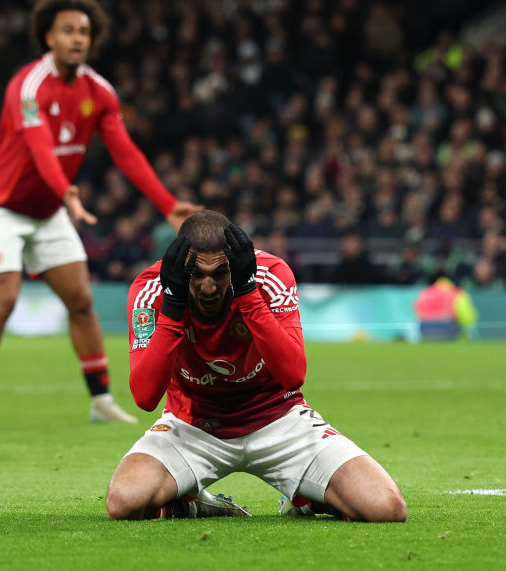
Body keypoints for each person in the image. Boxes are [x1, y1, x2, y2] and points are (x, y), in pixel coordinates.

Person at [0, 0, 201, 425]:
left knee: (81, 299)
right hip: (1, 205)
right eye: (68, 30)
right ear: (48, 36)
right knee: (4, 298)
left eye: (84, 32)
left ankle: (101, 400)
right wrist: (67, 191)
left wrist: (167, 204)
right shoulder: (28, 86)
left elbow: (125, 152)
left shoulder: (99, 91)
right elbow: (40, 148)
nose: (77, 38)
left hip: (48, 208)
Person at [106, 211, 407, 521]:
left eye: (221, 273)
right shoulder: (153, 289)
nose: (209, 288)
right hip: (194, 426)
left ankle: (308, 499)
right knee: (124, 502)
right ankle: (190, 503)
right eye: (197, 274)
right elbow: (144, 397)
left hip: (279, 419)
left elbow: (293, 376)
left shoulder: (269, 275)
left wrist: (248, 293)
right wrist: (173, 304)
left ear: (234, 265)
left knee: (386, 508)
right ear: (180, 267)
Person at [413, 271, 479, 341]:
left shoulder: (424, 293)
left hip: (426, 335)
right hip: (450, 335)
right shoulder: (457, 294)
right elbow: (468, 318)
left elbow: (417, 313)